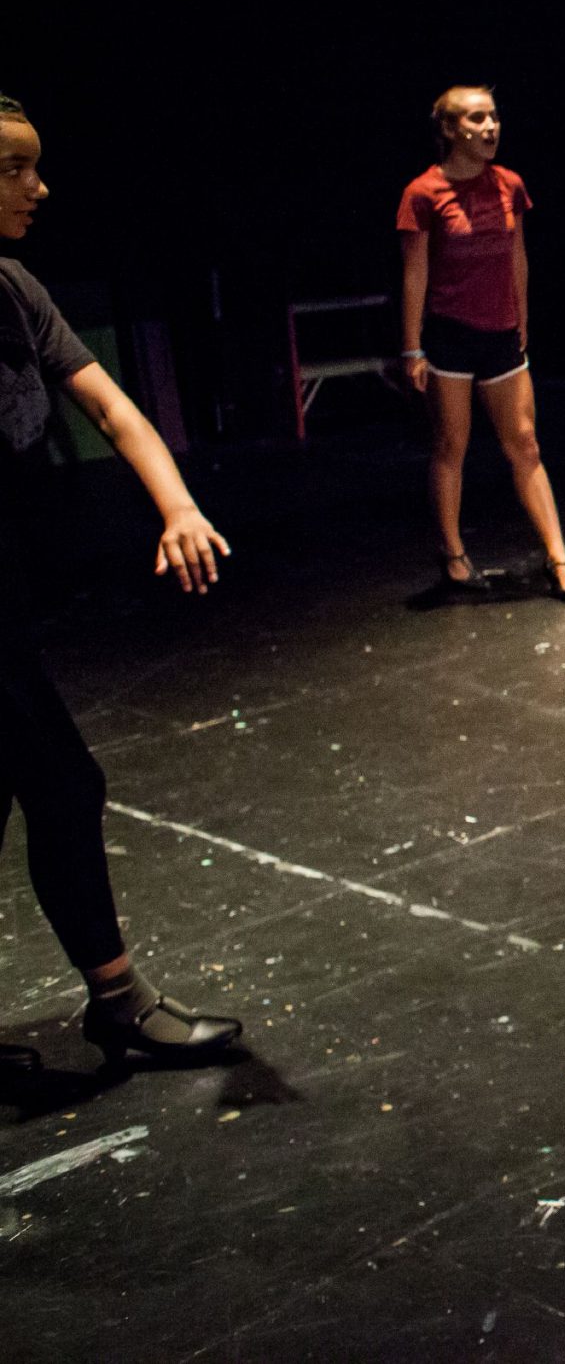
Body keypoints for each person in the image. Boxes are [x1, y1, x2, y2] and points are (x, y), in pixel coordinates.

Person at [0, 93, 241, 1069]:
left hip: (10, 592)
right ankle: (119, 1000)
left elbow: (111, 404)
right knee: (64, 784)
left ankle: (115, 1001)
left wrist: (179, 507)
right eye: (16, 166)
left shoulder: (14, 287)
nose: (39, 186)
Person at [396, 86, 565, 605]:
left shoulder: (510, 184)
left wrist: (522, 320)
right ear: (449, 130)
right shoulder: (423, 192)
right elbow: (415, 274)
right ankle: (455, 557)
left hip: (502, 330)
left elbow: (518, 256)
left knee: (525, 444)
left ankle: (559, 559)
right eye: (477, 119)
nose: (491, 127)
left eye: (494, 117)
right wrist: (412, 347)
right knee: (451, 446)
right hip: (449, 334)